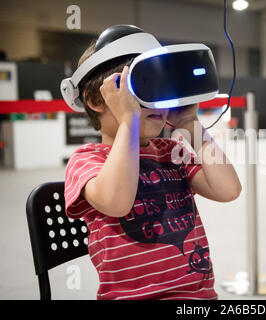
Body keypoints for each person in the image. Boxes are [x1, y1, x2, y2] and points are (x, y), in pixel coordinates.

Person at [64, 26, 241, 300]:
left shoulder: (171, 152)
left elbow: (228, 190)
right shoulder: (87, 160)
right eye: (144, 85)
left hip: (198, 297)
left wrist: (190, 126)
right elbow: (116, 202)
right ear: (97, 99)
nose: (158, 101)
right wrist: (128, 121)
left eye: (163, 87)